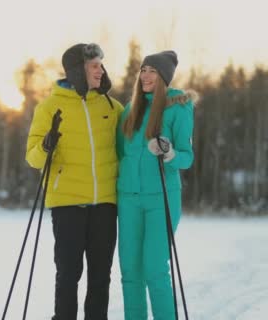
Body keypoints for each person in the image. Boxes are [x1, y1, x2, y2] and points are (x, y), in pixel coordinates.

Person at [25, 43, 124, 320]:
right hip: (67, 203)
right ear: (78, 71)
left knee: (101, 276)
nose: (101, 70)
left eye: (101, 65)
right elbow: (33, 158)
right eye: (95, 65)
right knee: (68, 274)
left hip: (105, 203)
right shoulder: (49, 107)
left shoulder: (111, 107)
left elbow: (132, 139)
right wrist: (46, 146)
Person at [116, 50, 197, 320]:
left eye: (152, 70)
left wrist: (170, 153)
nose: (145, 75)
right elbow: (120, 153)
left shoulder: (178, 106)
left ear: (163, 76)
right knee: (130, 272)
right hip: (128, 198)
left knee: (154, 269)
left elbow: (187, 156)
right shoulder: (131, 109)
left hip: (161, 198)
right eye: (143, 70)